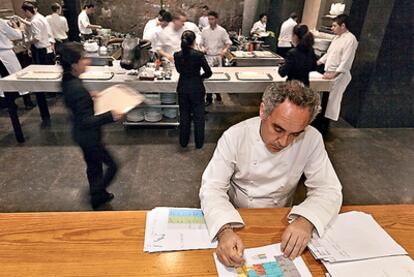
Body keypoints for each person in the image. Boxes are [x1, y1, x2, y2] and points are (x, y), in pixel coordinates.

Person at [200, 81, 342, 267]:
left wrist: (306, 220)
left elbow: (328, 188)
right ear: (263, 111)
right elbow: (212, 188)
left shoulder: (312, 138)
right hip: (236, 220)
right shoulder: (234, 136)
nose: (284, 142)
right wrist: (224, 230)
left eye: (295, 134)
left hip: (282, 221)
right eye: (278, 129)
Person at [58, 42, 125, 209]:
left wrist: (89, 95)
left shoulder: (68, 79)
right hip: (88, 136)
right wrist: (111, 115)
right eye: (84, 59)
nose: (87, 62)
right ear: (74, 65)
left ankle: (98, 197)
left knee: (93, 165)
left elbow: (76, 102)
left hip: (79, 134)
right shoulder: (76, 88)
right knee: (113, 165)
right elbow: (86, 120)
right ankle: (96, 192)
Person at [316, 14, 358, 134]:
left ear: (343, 25)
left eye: (334, 25)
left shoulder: (351, 39)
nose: (332, 28)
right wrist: (318, 62)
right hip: (329, 73)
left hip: (339, 76)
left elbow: (346, 61)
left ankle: (325, 128)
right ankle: (321, 124)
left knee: (331, 102)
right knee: (324, 101)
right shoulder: (336, 38)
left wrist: (334, 75)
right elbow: (329, 54)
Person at [174, 31, 212, 149]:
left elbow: (179, 71)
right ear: (194, 41)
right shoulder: (199, 55)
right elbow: (208, 72)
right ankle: (199, 143)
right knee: (199, 117)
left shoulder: (177, 55)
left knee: (184, 116)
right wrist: (200, 77)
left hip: (183, 87)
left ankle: (183, 142)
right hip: (196, 88)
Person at [21, 1, 55, 126]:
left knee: (40, 73)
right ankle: (50, 92)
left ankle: (43, 93)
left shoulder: (34, 21)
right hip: (47, 48)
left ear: (27, 11)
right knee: (48, 71)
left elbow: (37, 38)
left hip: (40, 49)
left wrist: (28, 43)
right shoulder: (42, 17)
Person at [0, 18, 35, 110]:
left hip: (3, 52)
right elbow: (17, 35)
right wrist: (17, 27)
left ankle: (6, 103)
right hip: (5, 52)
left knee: (1, 79)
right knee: (18, 76)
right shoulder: (1, 22)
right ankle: (27, 102)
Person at [200, 11, 232, 106]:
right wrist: (202, 48)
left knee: (218, 77)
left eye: (212, 19)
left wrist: (225, 50)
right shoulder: (205, 30)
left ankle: (218, 93)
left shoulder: (222, 31)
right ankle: (209, 97)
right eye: (209, 19)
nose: (210, 21)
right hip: (208, 57)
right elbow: (200, 43)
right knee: (208, 78)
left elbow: (228, 42)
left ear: (216, 19)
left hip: (218, 57)